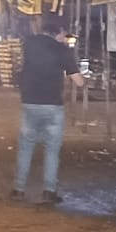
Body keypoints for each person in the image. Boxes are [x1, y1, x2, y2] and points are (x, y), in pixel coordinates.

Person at [12, 13, 85, 204]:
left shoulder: (29, 43)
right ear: (59, 31)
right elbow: (79, 81)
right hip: (52, 106)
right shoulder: (62, 50)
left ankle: (18, 189)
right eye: (64, 33)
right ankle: (48, 191)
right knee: (52, 150)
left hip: (29, 102)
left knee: (26, 147)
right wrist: (69, 52)